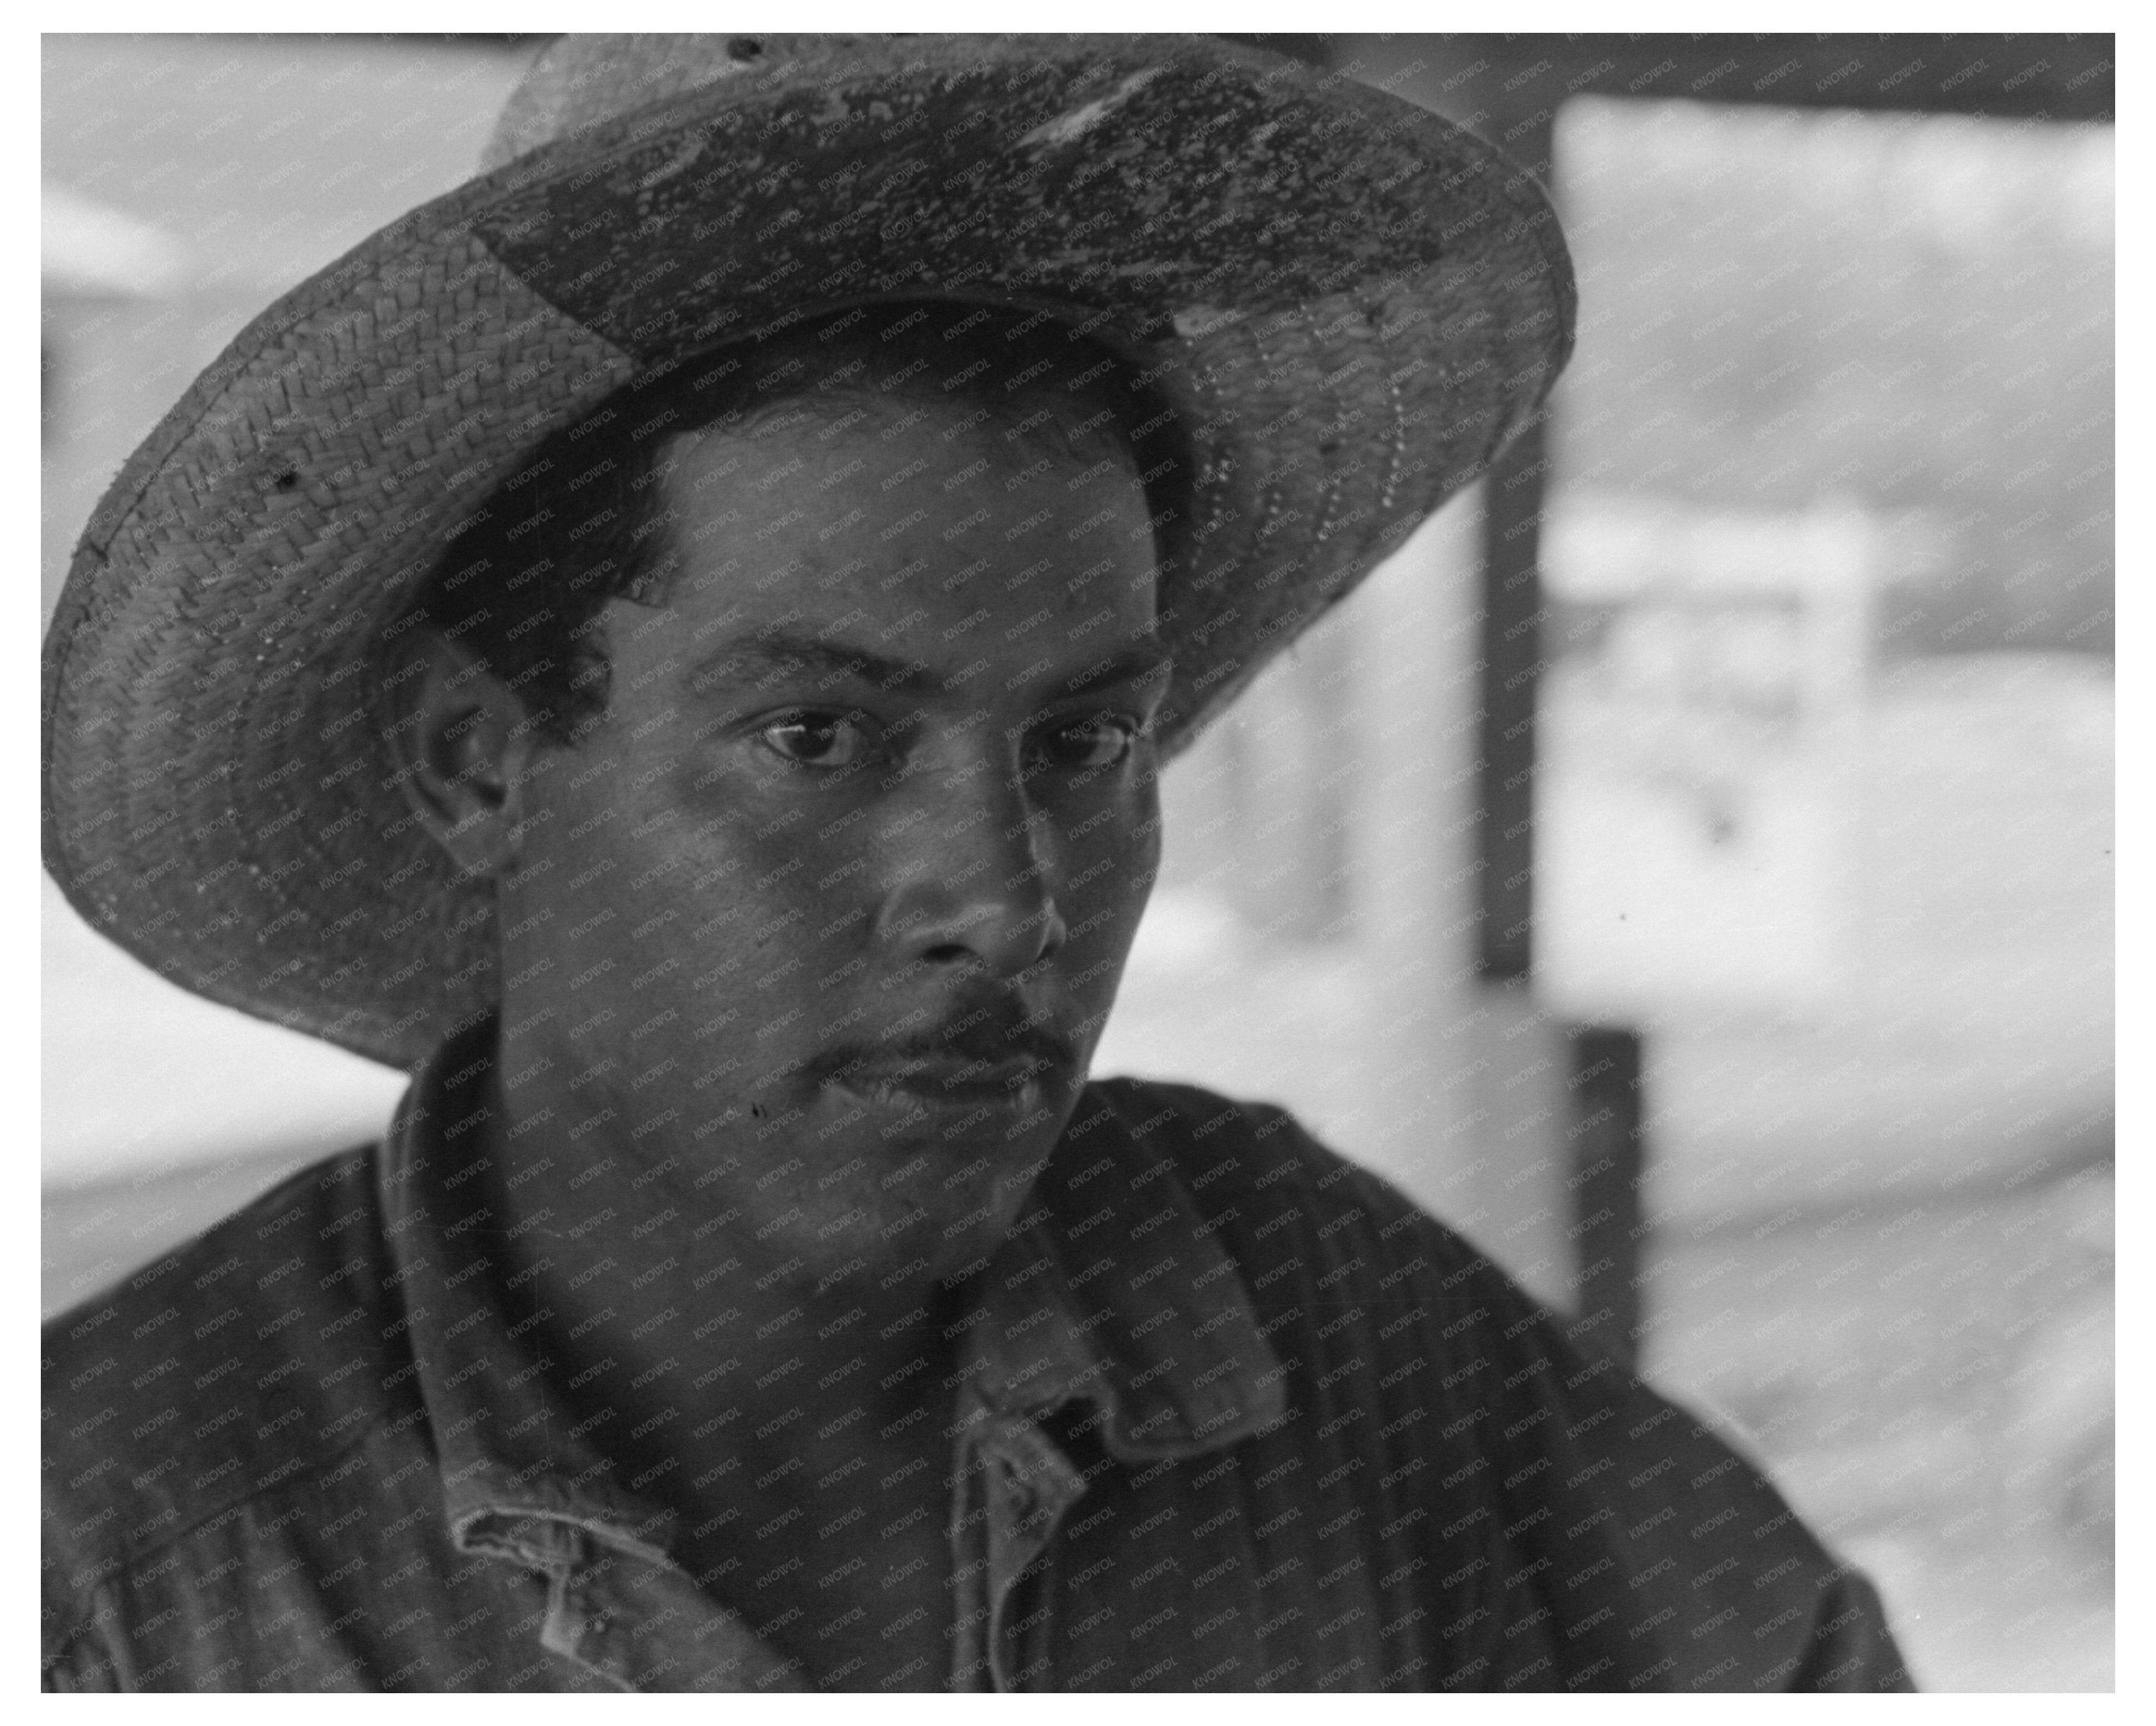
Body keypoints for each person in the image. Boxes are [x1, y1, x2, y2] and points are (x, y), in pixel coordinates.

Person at [41, 34, 1913, 1692]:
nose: (1007, 900)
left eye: (1083, 744)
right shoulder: (113, 1572)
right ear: (480, 760)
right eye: (818, 740)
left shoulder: (1287, 1292)